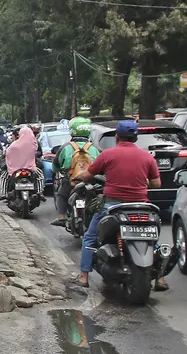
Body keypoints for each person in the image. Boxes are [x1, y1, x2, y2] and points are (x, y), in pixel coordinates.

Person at [71, 119, 167, 291]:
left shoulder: (108, 155)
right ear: (135, 138)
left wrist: (78, 176)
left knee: (90, 237)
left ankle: (84, 276)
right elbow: (156, 184)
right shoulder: (147, 157)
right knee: (153, 239)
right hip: (141, 206)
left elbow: (88, 175)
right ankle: (160, 278)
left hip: (113, 206)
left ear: (117, 137)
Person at [51, 117, 99, 227]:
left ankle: (61, 217)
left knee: (61, 195)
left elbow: (55, 166)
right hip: (90, 182)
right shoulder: (94, 148)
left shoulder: (66, 147)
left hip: (71, 181)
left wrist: (57, 170)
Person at [2, 126, 39, 199]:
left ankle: (3, 193)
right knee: (40, 176)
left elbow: (7, 155)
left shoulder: (14, 145)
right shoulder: (34, 144)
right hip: (30, 168)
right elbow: (36, 153)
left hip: (15, 169)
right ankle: (40, 192)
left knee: (4, 177)